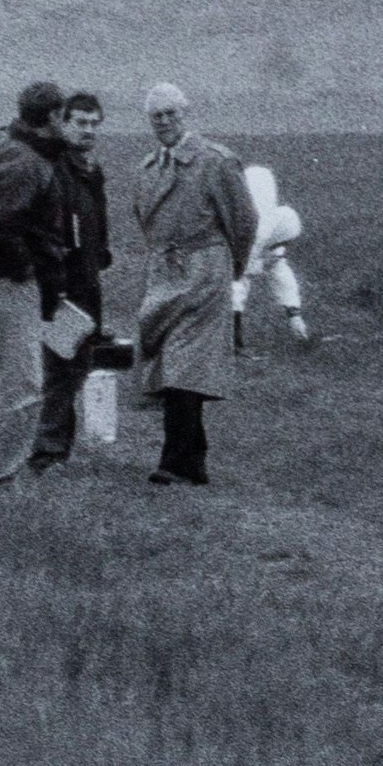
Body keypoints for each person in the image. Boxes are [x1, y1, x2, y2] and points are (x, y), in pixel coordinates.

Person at [134, 82, 258, 486]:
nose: (165, 122)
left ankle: (171, 461)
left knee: (185, 363)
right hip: (165, 271)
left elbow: (244, 222)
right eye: (157, 116)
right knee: (172, 360)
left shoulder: (216, 162)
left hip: (205, 269)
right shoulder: (148, 169)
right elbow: (145, 223)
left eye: (171, 114)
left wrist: (229, 268)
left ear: (185, 114)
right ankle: (194, 460)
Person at [0, 82, 71, 486]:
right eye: (63, 115)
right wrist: (27, 271)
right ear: (52, 118)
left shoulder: (18, 153)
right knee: (24, 383)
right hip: (10, 284)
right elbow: (1, 224)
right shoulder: (26, 162)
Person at [31, 91, 112, 473]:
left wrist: (101, 255)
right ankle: (47, 449)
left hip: (87, 279)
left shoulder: (90, 170)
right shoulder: (53, 168)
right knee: (60, 364)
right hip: (60, 283)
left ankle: (56, 445)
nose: (88, 130)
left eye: (94, 123)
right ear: (63, 123)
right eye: (80, 122)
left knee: (78, 363)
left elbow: (96, 218)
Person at [231, 164, 312, 349]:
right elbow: (237, 272)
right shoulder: (254, 233)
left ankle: (232, 341)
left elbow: (280, 271)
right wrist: (260, 265)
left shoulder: (275, 228)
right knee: (234, 286)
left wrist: (294, 314)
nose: (281, 249)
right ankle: (233, 342)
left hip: (255, 231)